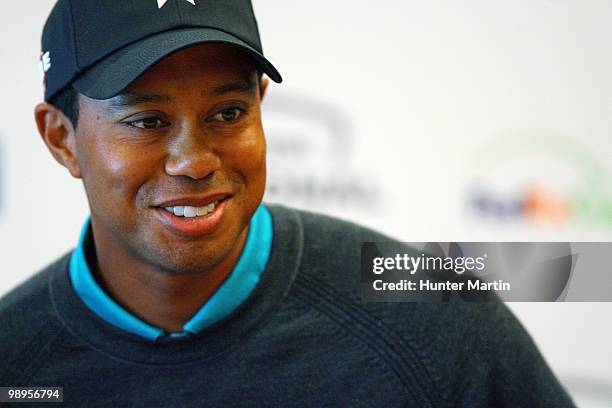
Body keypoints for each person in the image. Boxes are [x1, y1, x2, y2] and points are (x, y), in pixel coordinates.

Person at [0, 0, 575, 406]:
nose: (194, 161)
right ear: (60, 138)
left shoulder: (437, 323)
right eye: (147, 121)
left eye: (228, 114)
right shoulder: (15, 361)